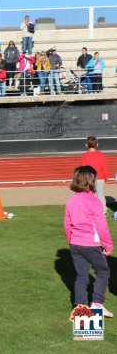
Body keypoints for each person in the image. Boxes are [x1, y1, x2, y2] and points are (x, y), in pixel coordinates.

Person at [64, 165, 113, 317]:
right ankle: (97, 304)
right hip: (90, 244)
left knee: (81, 276)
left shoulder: (71, 201)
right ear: (92, 181)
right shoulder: (94, 202)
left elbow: (67, 223)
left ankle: (80, 307)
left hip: (75, 244)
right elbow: (101, 226)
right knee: (103, 271)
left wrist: (71, 240)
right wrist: (109, 244)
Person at [80, 136, 109, 214]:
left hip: (89, 179)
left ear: (86, 145)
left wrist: (83, 179)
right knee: (101, 195)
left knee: (88, 195)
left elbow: (83, 168)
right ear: (97, 144)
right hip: (100, 178)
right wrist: (106, 178)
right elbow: (104, 167)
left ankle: (88, 211)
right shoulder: (101, 155)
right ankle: (103, 211)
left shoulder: (84, 156)